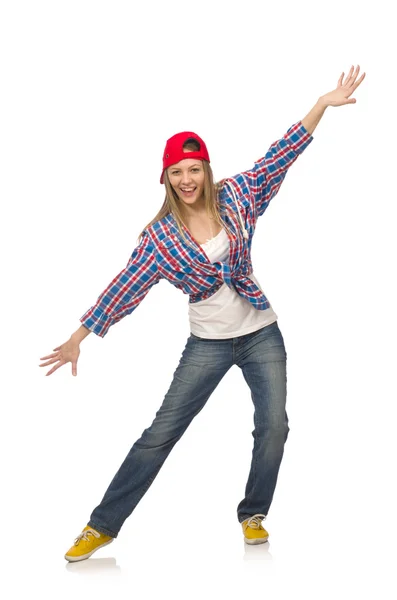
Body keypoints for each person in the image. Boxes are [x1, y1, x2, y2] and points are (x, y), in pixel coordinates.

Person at [39, 65, 365, 562]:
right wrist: (78, 337)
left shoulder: (238, 195)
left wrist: (322, 105)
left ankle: (253, 514)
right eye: (177, 172)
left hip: (261, 332)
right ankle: (101, 525)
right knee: (160, 435)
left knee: (274, 425)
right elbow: (122, 289)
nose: (187, 179)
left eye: (194, 169)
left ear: (205, 170)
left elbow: (280, 157)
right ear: (166, 178)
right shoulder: (159, 238)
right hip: (207, 345)